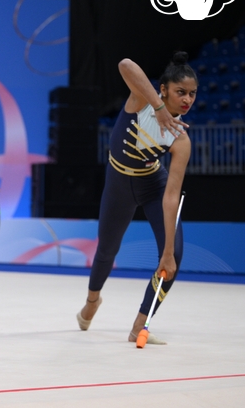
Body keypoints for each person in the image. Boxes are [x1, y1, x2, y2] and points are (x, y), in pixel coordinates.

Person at [76, 52, 196, 345]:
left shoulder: (181, 139)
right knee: (107, 250)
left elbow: (171, 198)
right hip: (118, 182)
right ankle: (92, 301)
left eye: (192, 94)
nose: (187, 100)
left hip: (153, 185)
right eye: (181, 92)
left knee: (174, 257)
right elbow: (125, 64)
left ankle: (139, 325)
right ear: (164, 89)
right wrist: (157, 107)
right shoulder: (142, 100)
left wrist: (167, 250)